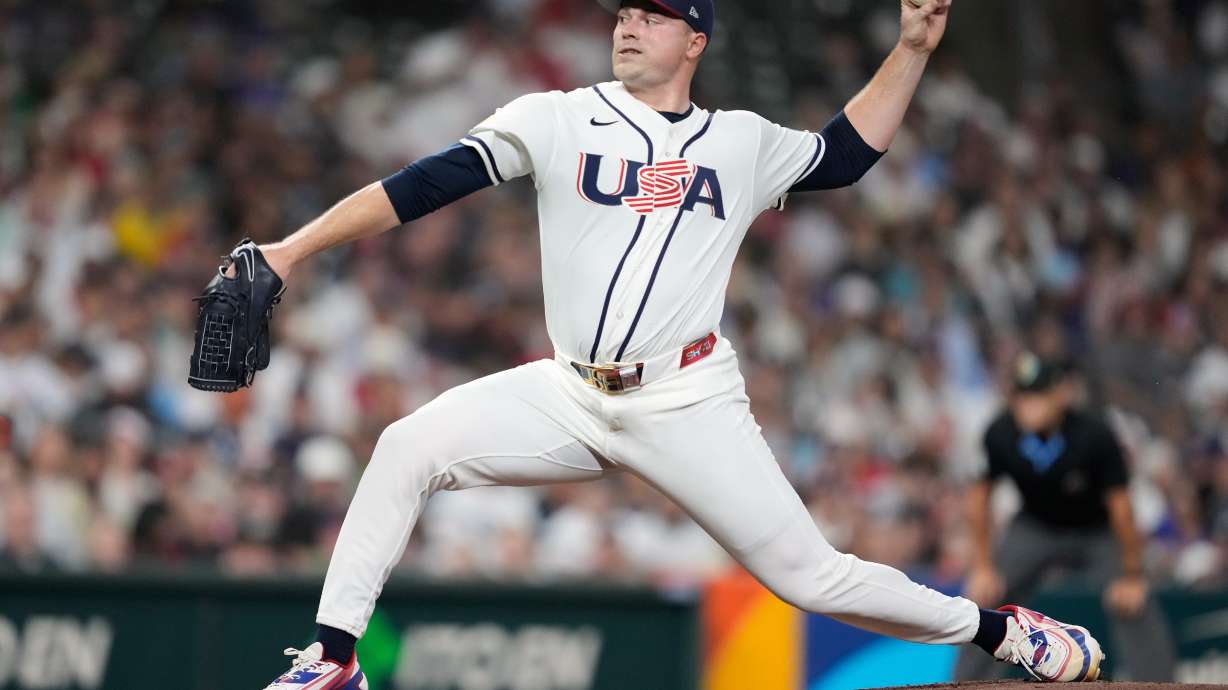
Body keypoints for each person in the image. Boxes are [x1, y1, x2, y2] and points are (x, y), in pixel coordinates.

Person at [245, 2, 1103, 688]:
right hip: (570, 393)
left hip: (686, 399)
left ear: (695, 38)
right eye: (623, 11)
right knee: (406, 446)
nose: (627, 23)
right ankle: (335, 657)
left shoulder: (739, 141)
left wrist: (911, 48)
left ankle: (1002, 629)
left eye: (652, 14)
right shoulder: (556, 117)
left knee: (812, 579)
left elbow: (843, 156)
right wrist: (290, 250)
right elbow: (425, 182)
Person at [955, 352, 1176, 681]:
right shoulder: (1000, 433)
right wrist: (983, 565)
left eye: (1039, 395)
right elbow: (978, 498)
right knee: (987, 596)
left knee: (1132, 600)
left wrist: (1132, 573)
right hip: (1035, 526)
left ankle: (1160, 685)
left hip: (1096, 532)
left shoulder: (1094, 434)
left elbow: (1121, 508)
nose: (1030, 405)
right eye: (1023, 396)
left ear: (1060, 393)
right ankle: (964, 684)